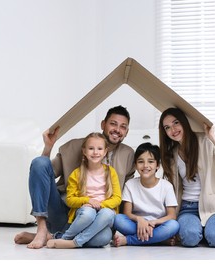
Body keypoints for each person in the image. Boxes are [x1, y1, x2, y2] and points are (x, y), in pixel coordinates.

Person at [14, 105, 135, 249]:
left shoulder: (128, 155)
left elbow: (125, 196)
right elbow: (43, 173)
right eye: (113, 124)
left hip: (100, 217)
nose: (117, 129)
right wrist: (48, 148)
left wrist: (118, 226)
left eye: (123, 127)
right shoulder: (74, 146)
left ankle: (54, 237)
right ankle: (41, 229)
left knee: (102, 238)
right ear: (103, 124)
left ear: (126, 132)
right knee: (39, 163)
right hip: (65, 212)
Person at [158, 107, 215, 248]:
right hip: (187, 208)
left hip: (214, 207)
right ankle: (203, 231)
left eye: (176, 123)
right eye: (167, 127)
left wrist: (212, 136)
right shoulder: (172, 155)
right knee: (189, 238)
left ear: (184, 122)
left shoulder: (205, 142)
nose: (173, 129)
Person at [46, 132, 121, 249]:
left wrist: (100, 205)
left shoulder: (111, 172)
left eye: (99, 149)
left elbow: (117, 198)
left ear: (105, 152)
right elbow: (70, 200)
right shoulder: (76, 174)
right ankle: (68, 239)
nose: (95, 152)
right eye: (91, 148)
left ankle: (66, 239)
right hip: (84, 213)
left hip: (104, 214)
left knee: (105, 233)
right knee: (88, 214)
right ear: (84, 151)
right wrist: (89, 201)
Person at [113, 142, 179, 247]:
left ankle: (129, 240)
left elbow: (172, 215)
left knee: (173, 225)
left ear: (157, 165)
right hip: (136, 224)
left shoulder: (166, 186)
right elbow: (126, 213)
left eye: (151, 162)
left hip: (158, 225)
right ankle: (159, 240)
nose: (145, 166)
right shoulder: (130, 184)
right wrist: (140, 220)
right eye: (140, 162)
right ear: (135, 165)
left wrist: (154, 222)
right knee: (117, 220)